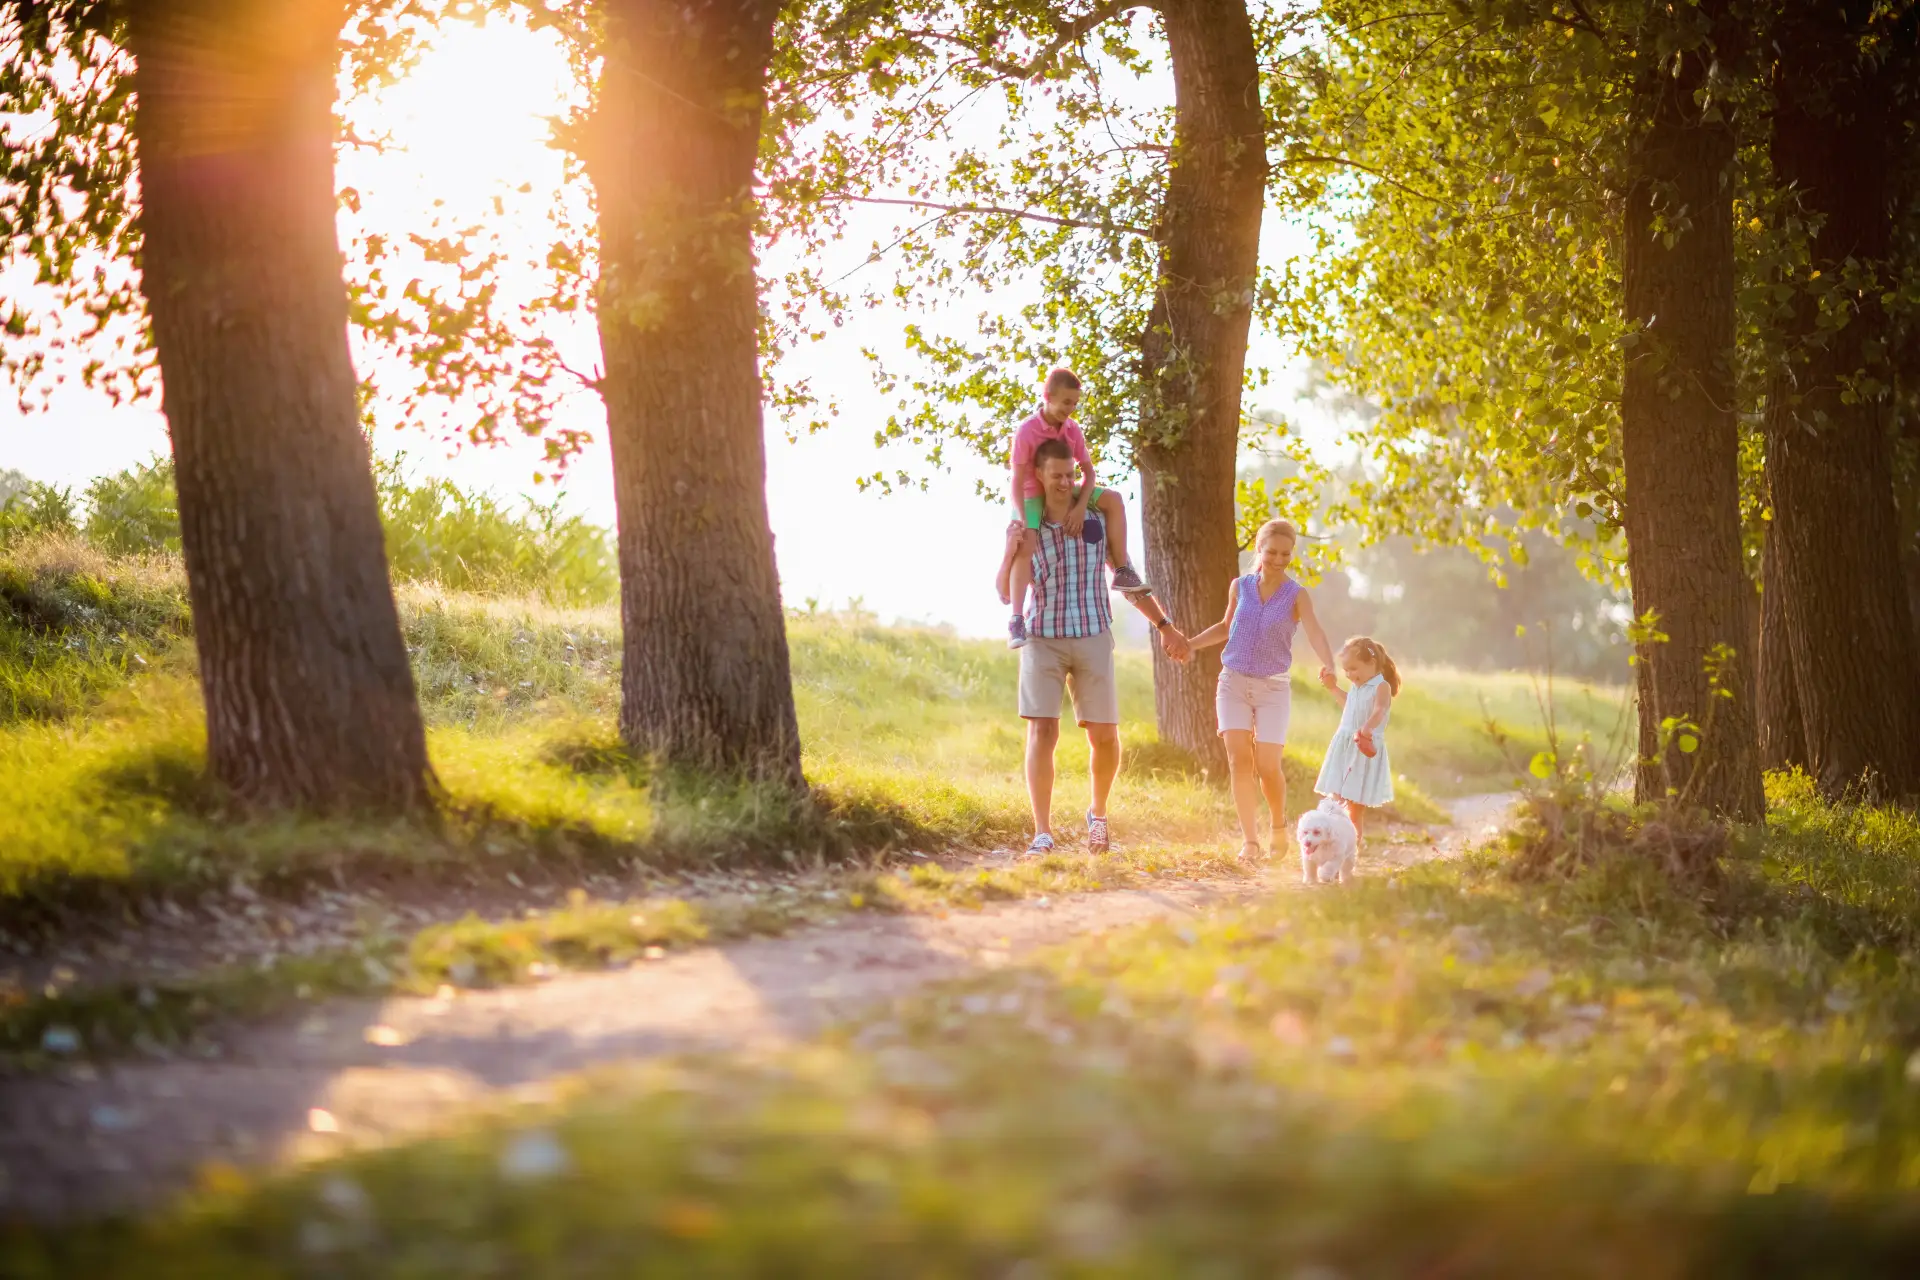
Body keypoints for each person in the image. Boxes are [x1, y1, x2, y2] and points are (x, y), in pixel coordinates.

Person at [1015, 436, 1189, 856]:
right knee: (1043, 730)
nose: (1064, 482)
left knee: (1106, 737)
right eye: (1056, 475)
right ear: (1038, 475)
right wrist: (1008, 552)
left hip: (1093, 634)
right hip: (1044, 639)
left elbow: (1126, 576)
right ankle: (1043, 831)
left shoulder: (1094, 520)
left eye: (1071, 474)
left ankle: (1097, 813)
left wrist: (1165, 625)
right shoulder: (1028, 527)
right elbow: (1006, 586)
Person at [1183, 518, 1337, 860]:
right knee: (1239, 760)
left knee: (1268, 766)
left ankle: (1279, 826)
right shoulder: (1240, 587)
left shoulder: (1297, 595)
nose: (1279, 559)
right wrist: (1191, 645)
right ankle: (1250, 842)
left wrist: (1329, 663)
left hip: (1273, 689)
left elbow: (1314, 631)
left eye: (1286, 554)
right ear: (1260, 549)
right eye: (1272, 552)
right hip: (1233, 681)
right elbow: (1226, 627)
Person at [999, 367, 1149, 651]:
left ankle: (1121, 570)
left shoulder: (1072, 429)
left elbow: (1088, 474)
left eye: (1075, 404)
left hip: (1067, 486)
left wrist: (1080, 508)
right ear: (1047, 397)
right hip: (1033, 493)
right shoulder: (1027, 430)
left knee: (1114, 499)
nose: (1070, 409)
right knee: (1027, 541)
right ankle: (1017, 618)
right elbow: (1018, 480)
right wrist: (1021, 516)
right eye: (1066, 403)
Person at [1315, 635, 1402, 849]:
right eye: (1346, 670)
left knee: (1354, 808)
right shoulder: (1357, 686)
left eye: (1354, 669)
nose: (1349, 675)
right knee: (1335, 800)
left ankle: (1349, 852)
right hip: (1344, 746)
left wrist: (1367, 728)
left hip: (1363, 749)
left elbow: (1380, 709)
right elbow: (1350, 705)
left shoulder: (1381, 686)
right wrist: (1333, 688)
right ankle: (1330, 845)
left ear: (1371, 663)